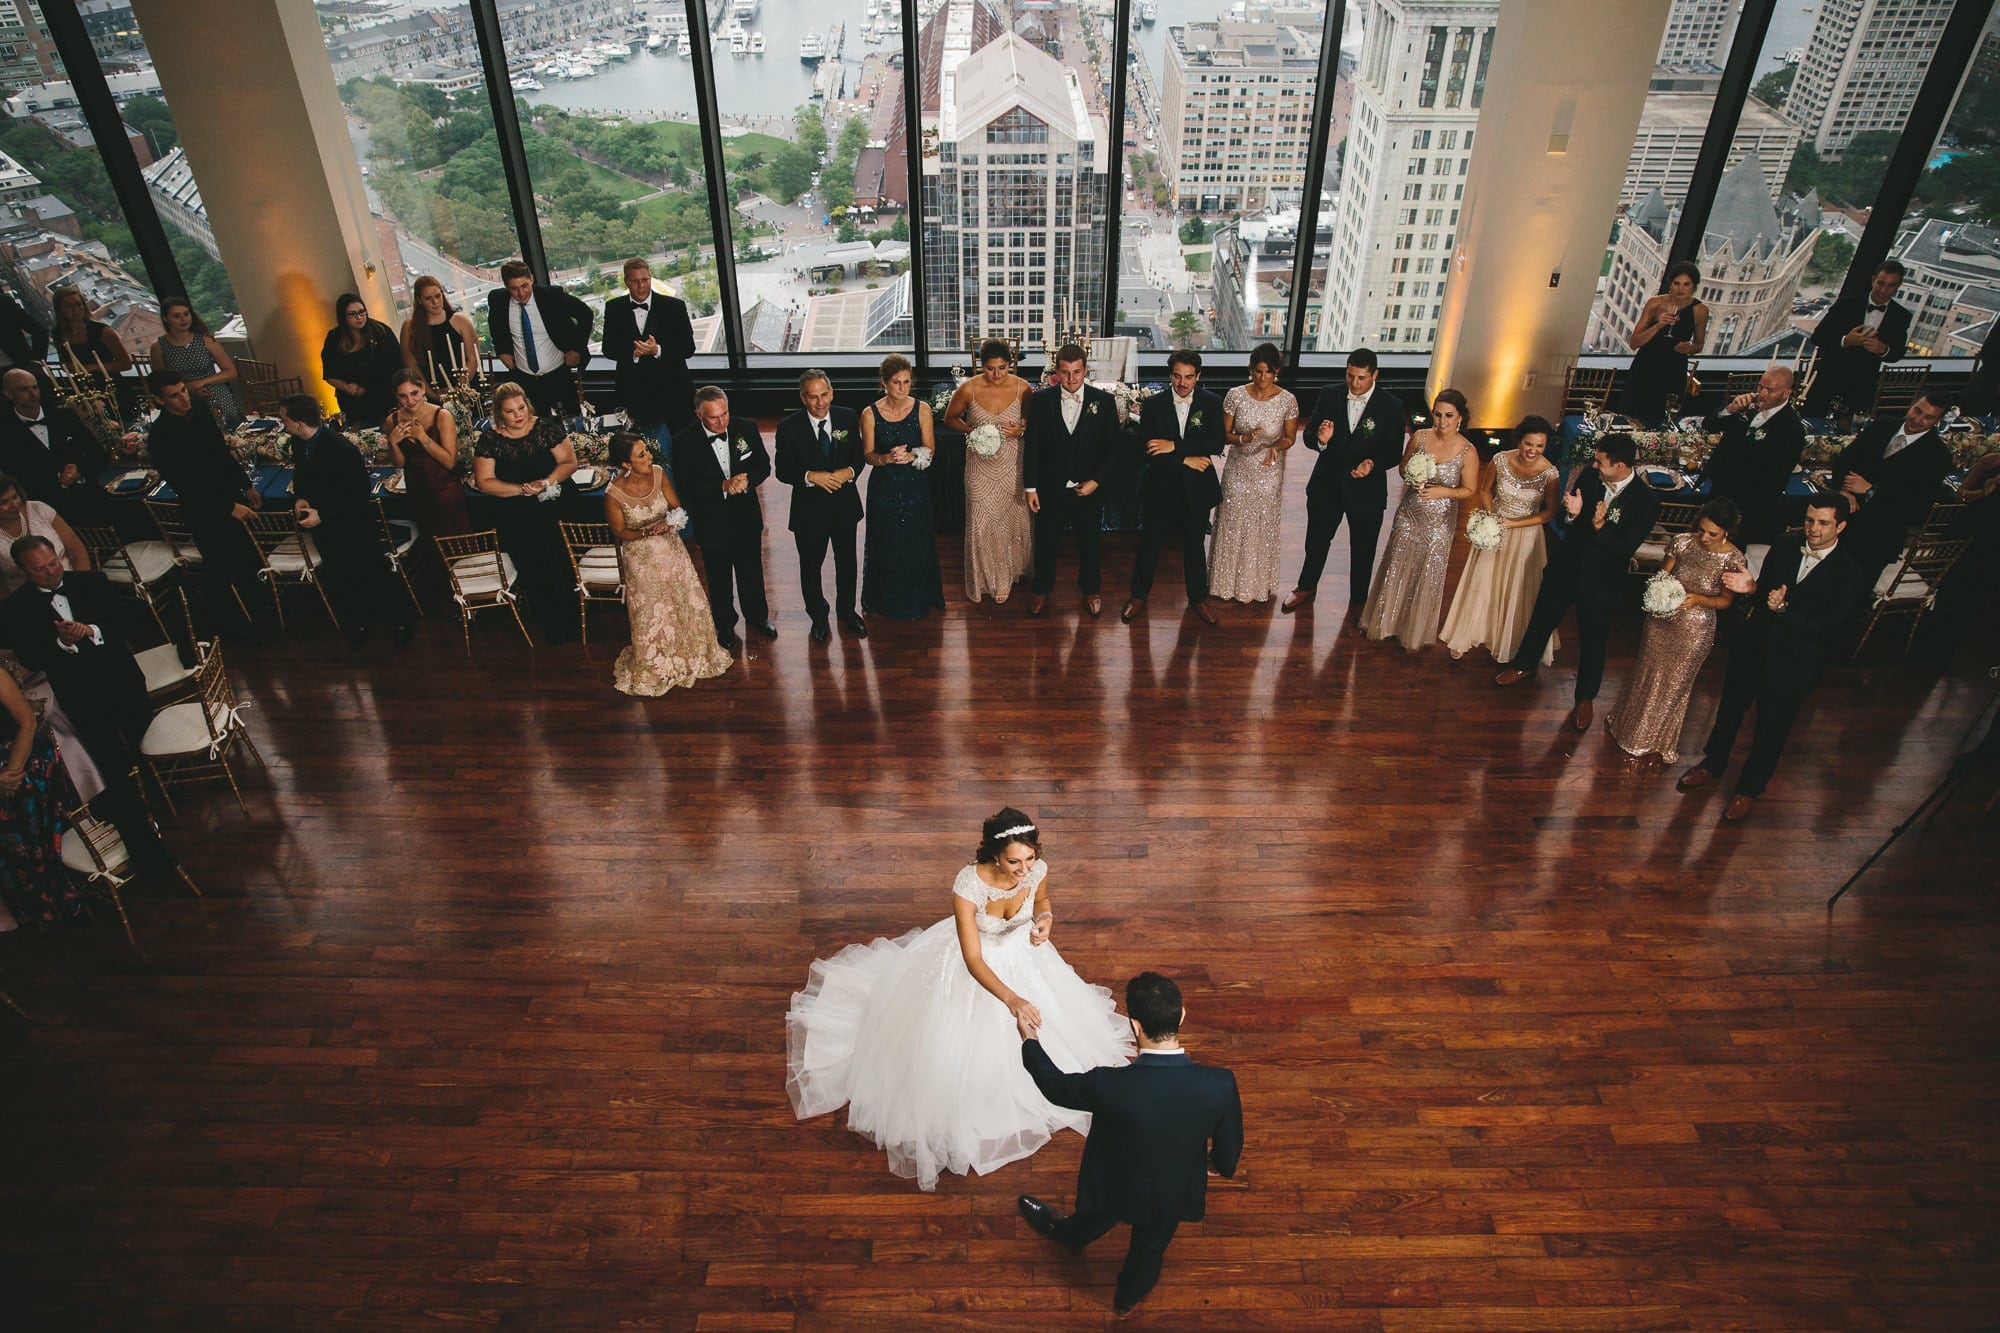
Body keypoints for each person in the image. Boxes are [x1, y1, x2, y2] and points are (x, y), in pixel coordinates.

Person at [786, 808, 1134, 1192]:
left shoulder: (1038, 870)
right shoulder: (968, 885)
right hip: (975, 967)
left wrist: (1046, 919)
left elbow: (1043, 900)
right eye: (1014, 861)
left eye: (1030, 858)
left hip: (1025, 958)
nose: (1024, 869)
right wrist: (1012, 1000)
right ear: (994, 855)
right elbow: (973, 959)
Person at [1016, 970, 1244, 1319]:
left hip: (1116, 1180)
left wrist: (1029, 1039)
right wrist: (1215, 1163)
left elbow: (1054, 1086)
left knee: (1093, 1218)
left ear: (1135, 1026)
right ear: (1182, 1015)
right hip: (1172, 1189)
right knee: (1150, 1250)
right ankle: (1126, 1300)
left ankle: (1068, 1235)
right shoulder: (1219, 1084)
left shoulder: (1109, 1084)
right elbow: (1228, 1153)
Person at [0, 537, 178, 885]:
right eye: (40, 568)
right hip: (81, 696)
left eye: (52, 562)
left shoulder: (91, 582)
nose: (51, 571)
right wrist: (62, 642)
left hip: (122, 682)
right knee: (110, 763)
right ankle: (147, 848)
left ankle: (163, 787)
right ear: (23, 571)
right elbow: (31, 658)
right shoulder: (15, 608)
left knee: (144, 738)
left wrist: (92, 631)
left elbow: (126, 621)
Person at [1677, 492, 1864, 821]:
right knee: (1729, 710)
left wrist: (1785, 610)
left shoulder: (1848, 574)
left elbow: (1828, 629)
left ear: (1841, 526)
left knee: (1771, 729)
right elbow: (1764, 590)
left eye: (1823, 523)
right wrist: (1752, 590)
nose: (1813, 529)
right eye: (1809, 520)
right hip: (1755, 647)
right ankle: (1712, 763)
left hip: (1793, 663)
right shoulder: (1786, 544)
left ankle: (1748, 789)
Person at [1495, 432, 1663, 732]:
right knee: (1543, 618)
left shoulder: (1646, 501)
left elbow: (1625, 548)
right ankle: (1524, 664)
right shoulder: (1590, 475)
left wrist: (1600, 527)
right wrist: (1572, 516)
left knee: (1594, 640)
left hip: (1601, 581)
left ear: (1621, 466)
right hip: (1567, 566)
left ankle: (1585, 698)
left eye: (1601, 462)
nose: (1594, 466)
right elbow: (1562, 519)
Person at [1607, 498, 1744, 764]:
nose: (1704, 537)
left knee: (1673, 684)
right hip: (1662, 619)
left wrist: (1698, 599)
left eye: (1712, 533)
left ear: (1726, 532)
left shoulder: (1733, 559)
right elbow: (1663, 574)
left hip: (1695, 628)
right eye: (1701, 529)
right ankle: (1626, 725)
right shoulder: (1681, 541)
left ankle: (1655, 739)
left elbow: (1726, 601)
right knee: (1648, 672)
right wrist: (1663, 591)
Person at [602, 432, 731, 696]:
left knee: (685, 598)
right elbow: (620, 532)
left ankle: (695, 651)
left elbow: (676, 506)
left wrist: (671, 521)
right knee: (651, 609)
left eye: (647, 451)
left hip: (671, 549)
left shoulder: (659, 473)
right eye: (641, 455)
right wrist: (648, 533)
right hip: (640, 555)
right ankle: (657, 661)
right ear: (626, 464)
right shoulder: (614, 494)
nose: (649, 456)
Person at [278, 394, 412, 646]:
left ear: (299, 423)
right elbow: (302, 476)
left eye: (284, 417)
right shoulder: (299, 443)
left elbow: (357, 496)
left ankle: (399, 622)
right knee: (341, 577)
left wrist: (323, 514)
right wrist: (300, 498)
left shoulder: (341, 449)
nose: (281, 421)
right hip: (325, 530)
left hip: (354, 527)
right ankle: (359, 623)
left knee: (372, 576)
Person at [1283, 348, 1406, 617]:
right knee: (1316, 541)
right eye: (1350, 376)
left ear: (1375, 374)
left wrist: (1372, 464)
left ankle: (1359, 600)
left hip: (1366, 490)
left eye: (1362, 378)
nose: (1354, 383)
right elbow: (1309, 434)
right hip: (1326, 485)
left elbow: (1394, 452)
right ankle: (1306, 587)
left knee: (1363, 548)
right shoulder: (1330, 394)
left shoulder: (1392, 406)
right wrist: (1321, 440)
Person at [145, 369, 264, 638]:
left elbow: (221, 452)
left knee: (247, 558)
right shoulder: (160, 438)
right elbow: (187, 487)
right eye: (174, 396)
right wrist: (229, 507)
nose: (183, 398)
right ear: (160, 401)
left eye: (184, 390)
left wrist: (246, 485)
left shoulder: (199, 408)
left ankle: (260, 611)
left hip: (231, 494)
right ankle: (231, 627)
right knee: (219, 571)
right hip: (205, 512)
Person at [1360, 388, 1479, 651]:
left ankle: (1411, 630)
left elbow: (1470, 490)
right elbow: (1403, 468)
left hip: (1439, 523)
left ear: (1460, 417)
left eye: (1449, 415)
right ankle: (1385, 622)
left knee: (1427, 572)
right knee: (1396, 564)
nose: (1442, 421)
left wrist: (1443, 491)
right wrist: (1413, 477)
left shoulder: (1467, 451)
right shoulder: (1420, 437)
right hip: (1409, 514)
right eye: (1437, 415)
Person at [1440, 415, 1561, 663]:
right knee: (1483, 580)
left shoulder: (1550, 474)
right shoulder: (1500, 459)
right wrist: (1491, 516)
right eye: (1529, 444)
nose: (1533, 451)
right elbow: (1485, 490)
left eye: (1540, 446)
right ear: (1520, 440)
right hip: (1494, 529)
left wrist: (1514, 524)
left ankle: (1512, 640)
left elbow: (1549, 513)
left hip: (1526, 537)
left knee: (1517, 588)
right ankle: (1467, 634)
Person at [472, 380, 580, 645]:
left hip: (554, 508)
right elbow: (484, 481)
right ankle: (549, 623)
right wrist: (520, 489)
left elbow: (569, 462)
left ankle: (573, 621)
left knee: (560, 563)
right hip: (516, 514)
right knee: (533, 567)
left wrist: (546, 483)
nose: (518, 415)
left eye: (521, 407)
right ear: (499, 413)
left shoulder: (546, 428)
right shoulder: (490, 440)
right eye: (510, 411)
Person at [1123, 349, 1225, 625]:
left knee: (1194, 546)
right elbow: (1148, 449)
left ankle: (1198, 599)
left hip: (1197, 489)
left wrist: (1175, 447)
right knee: (1149, 545)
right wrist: (1186, 459)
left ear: (1198, 377)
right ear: (1170, 375)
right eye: (1178, 376)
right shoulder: (1154, 404)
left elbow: (1216, 443)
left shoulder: (1212, 403)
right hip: (1161, 486)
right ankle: (1138, 596)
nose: (1183, 383)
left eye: (1189, 377)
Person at [671, 386, 773, 651]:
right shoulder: (683, 441)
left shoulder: (746, 428)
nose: (721, 421)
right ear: (699, 415)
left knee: (751, 571)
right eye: (714, 417)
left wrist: (748, 479)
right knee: (718, 577)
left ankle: (757, 617)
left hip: (746, 517)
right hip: (712, 521)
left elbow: (763, 464)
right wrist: (722, 486)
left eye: (725, 414)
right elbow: (685, 485)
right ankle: (725, 625)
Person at [1023, 343, 1120, 618]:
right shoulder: (1041, 401)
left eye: (1077, 372)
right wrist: (1030, 487)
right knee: (1046, 542)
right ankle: (1042, 589)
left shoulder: (1104, 401)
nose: (1072, 379)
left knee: (1089, 542)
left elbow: (1113, 449)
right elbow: (1033, 447)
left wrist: (1096, 482)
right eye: (1065, 373)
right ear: (1057, 372)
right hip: (1050, 487)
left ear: (1086, 370)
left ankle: (1091, 590)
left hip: (1087, 489)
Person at [1827, 389, 1953, 591]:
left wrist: (1870, 491)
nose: (1918, 419)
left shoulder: (1938, 457)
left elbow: (1915, 508)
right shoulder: (1883, 423)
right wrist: (1845, 491)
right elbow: (1844, 460)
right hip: (1841, 520)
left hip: (1877, 538)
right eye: (1917, 410)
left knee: (1850, 594)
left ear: (1938, 421)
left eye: (1928, 417)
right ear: (1911, 404)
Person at [774, 369, 866, 641]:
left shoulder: (848, 417)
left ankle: (847, 611)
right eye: (813, 397)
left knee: (847, 563)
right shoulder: (788, 427)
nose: (820, 402)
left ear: (832, 392)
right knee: (811, 566)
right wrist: (809, 476)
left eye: (824, 395)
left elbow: (858, 458)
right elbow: (782, 470)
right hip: (809, 511)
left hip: (844, 506)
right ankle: (818, 616)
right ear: (803, 398)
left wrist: (848, 472)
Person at [1209, 343, 1300, 605]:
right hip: (1238, 468)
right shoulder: (1235, 396)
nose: (1262, 378)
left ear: (1276, 373)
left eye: (1268, 373)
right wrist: (1242, 438)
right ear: (1251, 370)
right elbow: (1223, 435)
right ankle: (1224, 581)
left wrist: (1275, 446)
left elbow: (1290, 437)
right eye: (1258, 372)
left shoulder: (1287, 400)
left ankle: (1255, 583)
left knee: (1261, 524)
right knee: (1232, 519)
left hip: (1268, 471)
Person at [944, 339, 1035, 604]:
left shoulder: (1023, 388)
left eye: (1002, 368)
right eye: (990, 368)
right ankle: (985, 579)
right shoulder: (967, 389)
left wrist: (1022, 429)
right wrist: (972, 431)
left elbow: (1031, 423)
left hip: (1012, 466)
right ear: (980, 365)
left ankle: (1008, 574)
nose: (996, 374)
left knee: (1010, 521)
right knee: (982, 523)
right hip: (979, 468)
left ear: (1010, 364)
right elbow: (950, 419)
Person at [859, 354, 944, 622]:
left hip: (914, 485)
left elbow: (930, 450)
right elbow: (868, 456)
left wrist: (912, 456)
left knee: (916, 541)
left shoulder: (922, 409)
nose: (902, 388)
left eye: (907, 382)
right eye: (896, 382)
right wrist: (886, 458)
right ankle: (887, 600)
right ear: (884, 383)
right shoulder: (869, 414)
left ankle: (919, 597)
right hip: (883, 488)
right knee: (886, 542)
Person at [0, 662, 85, 927]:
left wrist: (11, 775)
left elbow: (27, 723)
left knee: (22, 800)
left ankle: (61, 896)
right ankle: (34, 904)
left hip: (23, 757)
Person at [1698, 365, 1805, 545]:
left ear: (1786, 393)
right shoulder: (1748, 405)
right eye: (1760, 387)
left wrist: (1741, 514)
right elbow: (1709, 424)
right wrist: (1730, 408)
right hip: (1719, 490)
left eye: (1770, 390)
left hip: (1745, 505)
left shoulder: (1791, 429)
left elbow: (1775, 482)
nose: (1762, 394)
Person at [599, 257, 696, 442]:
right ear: (627, 282)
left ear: (650, 278)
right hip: (634, 394)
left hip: (674, 392)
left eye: (645, 280)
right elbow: (608, 348)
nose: (641, 286)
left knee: (681, 445)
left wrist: (657, 349)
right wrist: (632, 353)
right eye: (635, 281)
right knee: (641, 448)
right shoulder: (614, 308)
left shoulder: (674, 306)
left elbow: (688, 348)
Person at [0, 367, 110, 526]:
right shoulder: (6, 433)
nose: (33, 394)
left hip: (90, 501)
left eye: (35, 387)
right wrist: (57, 483)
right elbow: (16, 480)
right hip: (48, 514)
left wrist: (79, 473)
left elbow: (100, 456)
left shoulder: (65, 417)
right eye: (24, 389)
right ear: (8, 394)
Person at [1803, 261, 1911, 417]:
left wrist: (1883, 349)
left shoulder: (1901, 316)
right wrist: (1846, 340)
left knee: (1845, 436)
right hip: (1828, 380)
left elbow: (1897, 353)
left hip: (1861, 388)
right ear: (1873, 280)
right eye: (1880, 283)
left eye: (1891, 285)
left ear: (1898, 285)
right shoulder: (1847, 303)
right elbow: (1818, 336)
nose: (1883, 290)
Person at [486, 261, 593, 417]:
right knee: (534, 429)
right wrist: (501, 351)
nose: (521, 293)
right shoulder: (498, 300)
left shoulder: (552, 296)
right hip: (524, 379)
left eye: (524, 286)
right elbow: (495, 325)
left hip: (558, 375)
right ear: (506, 286)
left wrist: (576, 349)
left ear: (531, 279)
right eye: (514, 289)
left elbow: (586, 314)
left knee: (572, 426)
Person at [383, 369, 470, 543]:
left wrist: (422, 437)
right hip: (417, 494)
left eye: (414, 393)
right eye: (403, 396)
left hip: (445, 493)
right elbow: (400, 464)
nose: (410, 401)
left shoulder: (442, 416)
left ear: (422, 388)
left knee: (456, 545)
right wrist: (392, 443)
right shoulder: (391, 420)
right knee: (432, 548)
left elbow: (449, 462)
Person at [1619, 260, 1707, 427]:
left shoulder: (1700, 311)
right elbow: (1634, 343)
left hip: (1673, 369)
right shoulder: (1655, 303)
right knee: (1633, 415)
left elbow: (1699, 345)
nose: (1680, 289)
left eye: (1686, 284)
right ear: (1670, 285)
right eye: (1676, 283)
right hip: (1646, 365)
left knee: (1661, 418)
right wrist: (1658, 326)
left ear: (1694, 286)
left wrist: (1690, 348)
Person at [150, 297, 244, 428]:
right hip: (183, 400)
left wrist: (200, 382)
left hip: (215, 395)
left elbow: (231, 371)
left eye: (186, 314)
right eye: (176, 316)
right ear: (165, 319)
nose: (183, 319)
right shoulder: (159, 347)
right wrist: (188, 388)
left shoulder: (206, 341)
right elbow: (160, 382)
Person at [318, 294, 408, 427]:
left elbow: (395, 367)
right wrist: (347, 387)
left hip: (383, 397)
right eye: (352, 314)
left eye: (361, 312)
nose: (359, 318)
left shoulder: (381, 332)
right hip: (353, 403)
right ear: (343, 316)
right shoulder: (334, 338)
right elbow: (329, 373)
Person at [50, 286, 136, 416]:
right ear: (60, 309)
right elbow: (65, 362)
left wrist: (90, 368)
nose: (76, 310)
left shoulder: (102, 331)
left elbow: (126, 363)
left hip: (113, 389)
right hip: (86, 391)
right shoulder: (58, 334)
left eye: (78, 304)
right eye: (69, 306)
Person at [0, 472, 90, 598]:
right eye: (4, 502)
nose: (14, 505)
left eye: (15, 497)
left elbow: (77, 552)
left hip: (73, 584)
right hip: (27, 602)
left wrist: (82, 586)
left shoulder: (38, 508)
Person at [399, 275, 480, 392]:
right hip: (431, 390)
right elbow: (411, 364)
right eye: (428, 298)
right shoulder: (409, 327)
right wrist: (430, 393)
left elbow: (473, 358)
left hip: (465, 388)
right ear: (419, 300)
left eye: (438, 296)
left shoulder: (461, 321)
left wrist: (459, 387)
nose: (435, 302)